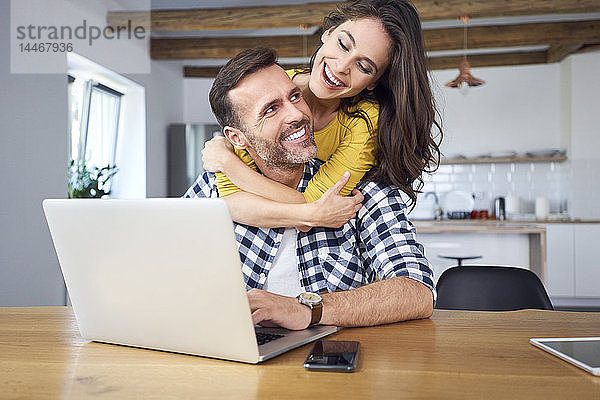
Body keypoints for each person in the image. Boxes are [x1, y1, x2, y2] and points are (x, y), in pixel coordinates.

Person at [185, 48, 434, 330]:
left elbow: (418, 293)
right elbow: (165, 269)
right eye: (271, 109)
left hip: (332, 363)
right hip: (233, 361)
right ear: (237, 138)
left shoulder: (362, 190)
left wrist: (306, 309)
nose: (298, 114)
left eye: (294, 96)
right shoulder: (210, 189)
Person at [201, 0, 442, 231]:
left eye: (364, 67)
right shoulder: (274, 83)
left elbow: (314, 200)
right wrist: (312, 215)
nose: (340, 66)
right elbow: (231, 201)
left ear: (373, 82)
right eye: (343, 44)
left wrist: (229, 163)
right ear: (328, 33)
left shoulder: (364, 122)